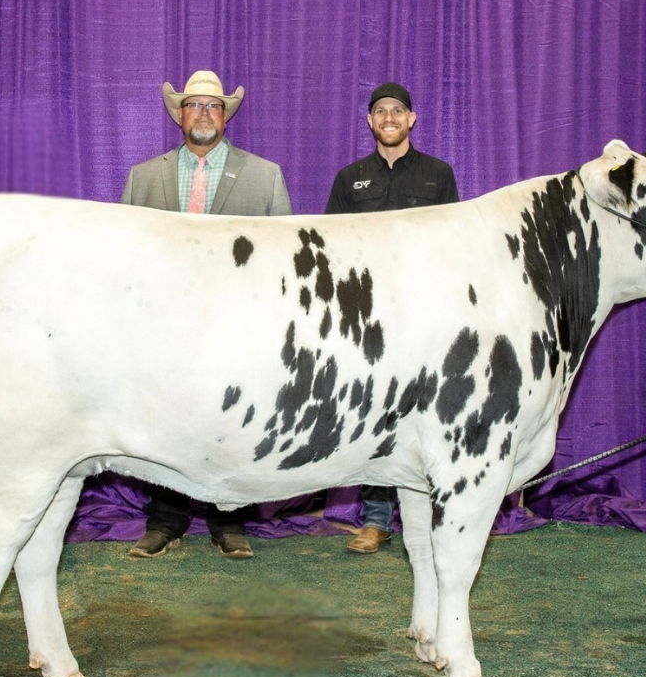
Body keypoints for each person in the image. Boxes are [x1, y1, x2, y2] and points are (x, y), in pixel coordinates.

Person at [122, 70, 292, 560]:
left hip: (237, 325)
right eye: (194, 104)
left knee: (233, 419)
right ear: (179, 115)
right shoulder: (143, 177)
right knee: (163, 421)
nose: (203, 113)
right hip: (164, 324)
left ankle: (229, 520)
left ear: (225, 117)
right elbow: (124, 253)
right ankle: (165, 520)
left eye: (213, 106)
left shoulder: (264, 175)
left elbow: (283, 255)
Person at [324, 81, 459, 553]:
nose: (388, 118)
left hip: (426, 313)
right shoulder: (350, 179)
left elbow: (454, 244)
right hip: (369, 318)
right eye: (380, 111)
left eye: (397, 110)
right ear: (370, 121)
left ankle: (434, 511)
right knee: (376, 413)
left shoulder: (438, 174)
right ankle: (377, 519)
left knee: (432, 410)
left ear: (411, 119)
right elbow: (332, 247)